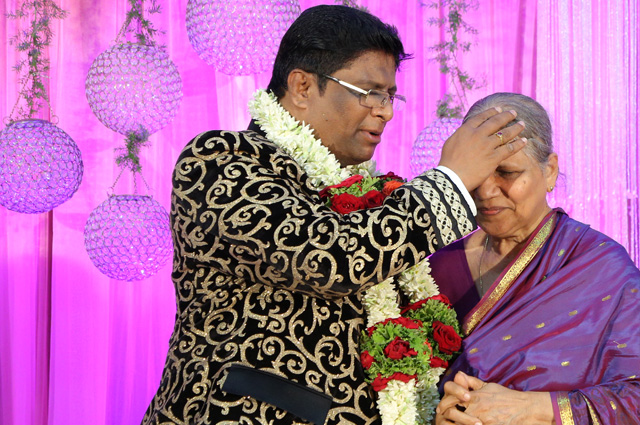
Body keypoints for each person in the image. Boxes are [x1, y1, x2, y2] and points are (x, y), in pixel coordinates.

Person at [142, 6, 526, 425]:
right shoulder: (221, 159)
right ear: (303, 86)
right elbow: (326, 255)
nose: (386, 111)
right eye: (370, 92)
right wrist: (451, 180)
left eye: (390, 95)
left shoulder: (370, 195)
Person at [429, 92, 640, 425]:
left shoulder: (601, 268)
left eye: (507, 172)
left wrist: (532, 409)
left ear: (550, 170)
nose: (486, 191)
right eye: (475, 173)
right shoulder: (438, 268)